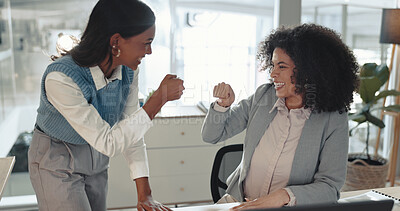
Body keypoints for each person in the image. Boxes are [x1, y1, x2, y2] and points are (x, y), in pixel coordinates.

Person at [28, 0, 184, 210]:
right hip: (57, 159)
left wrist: (144, 194)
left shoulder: (128, 70)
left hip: (96, 159)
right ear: (116, 41)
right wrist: (158, 99)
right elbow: (109, 142)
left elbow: (132, 129)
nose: (150, 52)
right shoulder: (60, 78)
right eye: (146, 42)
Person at [202, 23, 359, 210]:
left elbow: (330, 187)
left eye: (281, 66)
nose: (272, 73)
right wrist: (222, 105)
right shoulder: (263, 96)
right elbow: (212, 136)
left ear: (309, 71)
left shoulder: (333, 118)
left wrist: (282, 196)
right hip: (239, 203)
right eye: (273, 65)